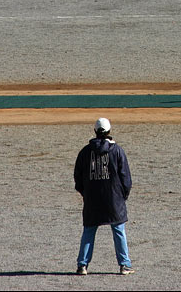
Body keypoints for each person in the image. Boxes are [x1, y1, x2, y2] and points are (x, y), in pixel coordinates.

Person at [74, 118, 135, 276]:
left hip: (92, 200)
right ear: (109, 131)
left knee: (89, 231)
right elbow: (126, 179)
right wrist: (123, 195)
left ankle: (82, 265)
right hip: (114, 199)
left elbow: (78, 178)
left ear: (95, 131)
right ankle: (124, 265)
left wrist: (85, 194)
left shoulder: (85, 152)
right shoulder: (117, 151)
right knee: (119, 230)